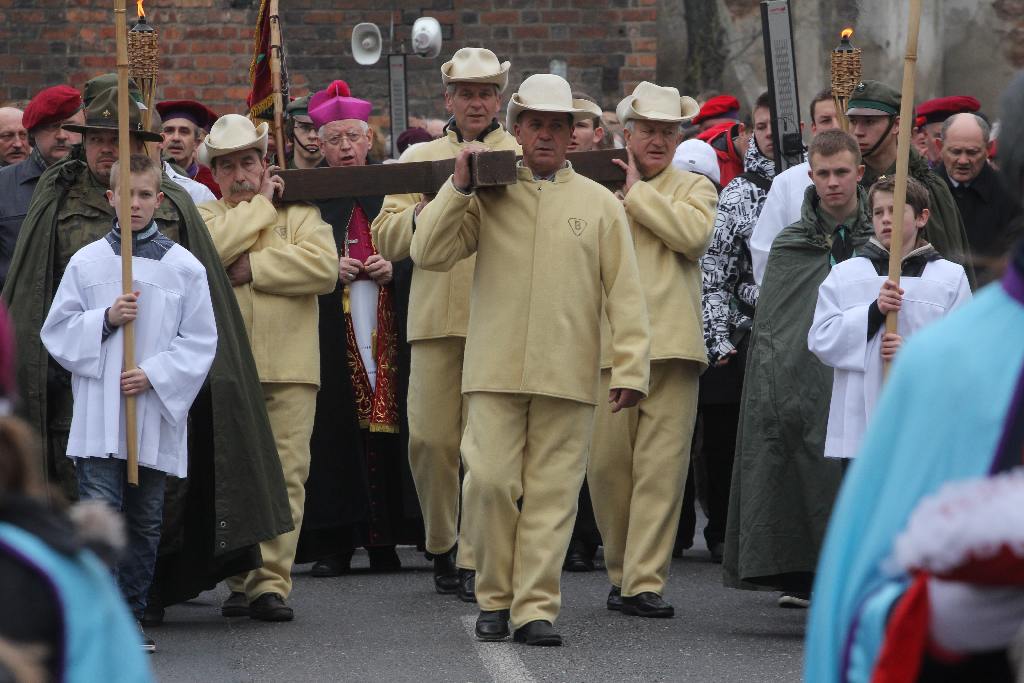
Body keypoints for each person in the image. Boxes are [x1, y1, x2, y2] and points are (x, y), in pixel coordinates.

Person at [3, 85, 293, 626]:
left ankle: (147, 592)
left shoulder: (177, 213)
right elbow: (39, 301)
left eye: (124, 139)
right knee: (88, 499)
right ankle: (95, 605)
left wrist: (160, 375)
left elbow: (201, 326)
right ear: (85, 144)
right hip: (79, 386)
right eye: (100, 140)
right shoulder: (57, 200)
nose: (110, 151)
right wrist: (89, 336)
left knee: (155, 502)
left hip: (157, 394)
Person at [411, 73, 650, 646]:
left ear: (573, 134)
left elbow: (626, 291)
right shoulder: (489, 190)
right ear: (515, 130)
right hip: (492, 368)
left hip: (569, 373)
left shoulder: (598, 204)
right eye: (536, 123)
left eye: (557, 125)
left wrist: (632, 367)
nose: (546, 134)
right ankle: (494, 594)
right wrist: (459, 187)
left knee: (552, 494)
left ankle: (535, 607)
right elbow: (428, 251)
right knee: (489, 482)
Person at [40, 153, 218, 652]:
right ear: (110, 198)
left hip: (151, 416)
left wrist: (155, 374)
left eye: (146, 195)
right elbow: (56, 331)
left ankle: (132, 615)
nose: (136, 204)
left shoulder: (183, 268)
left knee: (144, 520)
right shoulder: (88, 262)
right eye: (128, 195)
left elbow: (201, 340)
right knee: (101, 513)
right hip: (100, 416)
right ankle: (102, 620)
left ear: (159, 201)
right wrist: (105, 319)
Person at [372, 47, 521, 602]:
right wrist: (430, 206)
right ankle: (443, 541)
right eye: (467, 92)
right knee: (431, 440)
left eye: (486, 92)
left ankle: (475, 554)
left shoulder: (521, 152)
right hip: (435, 318)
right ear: (449, 98)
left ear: (499, 98)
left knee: (487, 450)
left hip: (501, 317)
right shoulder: (423, 157)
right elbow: (387, 237)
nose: (477, 101)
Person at [724, 130, 873, 607]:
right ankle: (809, 571)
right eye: (824, 174)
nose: (833, 183)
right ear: (810, 176)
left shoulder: (884, 237)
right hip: (803, 374)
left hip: (868, 370)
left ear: (859, 173)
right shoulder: (790, 245)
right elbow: (777, 323)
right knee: (809, 462)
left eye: (842, 173)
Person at [199, 113, 337, 622]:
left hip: (291, 366)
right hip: (228, 369)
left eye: (249, 162)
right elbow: (211, 253)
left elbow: (323, 268)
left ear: (265, 163)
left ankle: (270, 583)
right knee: (233, 474)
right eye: (228, 165)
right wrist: (261, 208)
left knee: (287, 476)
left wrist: (254, 267)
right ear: (214, 173)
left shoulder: (301, 214)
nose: (239, 174)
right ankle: (239, 576)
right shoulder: (209, 215)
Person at [586, 81, 713, 618]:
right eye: (649, 130)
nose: (658, 139)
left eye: (668, 130)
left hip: (674, 349)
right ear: (627, 133)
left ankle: (643, 581)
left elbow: (693, 236)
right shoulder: (596, 187)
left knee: (662, 471)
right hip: (610, 348)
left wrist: (636, 195)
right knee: (609, 468)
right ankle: (620, 570)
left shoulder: (695, 187)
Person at [295, 83, 422, 576]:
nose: (345, 147)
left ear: (370, 139)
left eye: (353, 136)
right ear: (318, 146)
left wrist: (397, 268)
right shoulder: (308, 198)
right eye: (334, 139)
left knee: (390, 424)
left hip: (387, 321)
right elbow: (298, 256)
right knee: (335, 430)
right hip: (333, 326)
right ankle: (335, 541)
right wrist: (330, 267)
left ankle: (387, 538)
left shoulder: (392, 191)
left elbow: (425, 249)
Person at [808, 176, 971, 463]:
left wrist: (913, 354)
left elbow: (964, 352)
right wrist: (873, 313)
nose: (885, 220)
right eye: (878, 212)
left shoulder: (949, 277)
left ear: (922, 217)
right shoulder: (847, 275)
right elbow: (821, 338)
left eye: (895, 211)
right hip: (862, 426)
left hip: (923, 423)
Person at [690, 91, 776, 564]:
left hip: (803, 330)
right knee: (722, 431)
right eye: (760, 128)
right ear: (746, 136)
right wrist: (717, 335)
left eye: (776, 127)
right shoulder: (738, 194)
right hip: (744, 329)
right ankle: (722, 527)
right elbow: (717, 270)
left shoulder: (815, 183)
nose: (769, 136)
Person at [847, 80, 974, 281]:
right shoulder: (848, 184)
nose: (858, 131)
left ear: (897, 124)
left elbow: (949, 264)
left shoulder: (928, 186)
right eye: (853, 121)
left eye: (869, 121)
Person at [561, 89, 606, 574]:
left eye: (581, 124)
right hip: (564, 322)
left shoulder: (613, 181)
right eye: (563, 123)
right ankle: (572, 538)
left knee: (597, 445)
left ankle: (592, 536)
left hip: (601, 322)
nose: (571, 133)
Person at [750, 88, 840, 284]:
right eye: (826, 120)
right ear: (813, 128)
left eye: (841, 117)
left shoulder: (871, 176)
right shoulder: (787, 183)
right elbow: (765, 255)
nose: (836, 126)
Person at [0, 85, 84, 289]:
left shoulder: (100, 182)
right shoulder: (3, 185)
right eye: (52, 126)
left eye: (71, 126)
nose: (62, 135)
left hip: (87, 315)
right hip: (19, 312)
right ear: (33, 133)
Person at [938, 113, 1022, 285]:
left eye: (972, 152)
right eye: (955, 151)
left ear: (988, 148)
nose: (963, 160)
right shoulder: (923, 191)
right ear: (940, 146)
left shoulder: (1010, 194)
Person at [155, 99, 221, 197]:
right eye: (169, 130)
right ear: (160, 138)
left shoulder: (212, 186)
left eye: (184, 131)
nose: (176, 138)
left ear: (196, 142)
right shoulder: (149, 178)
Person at [914, 95, 981, 168]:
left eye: (956, 137)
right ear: (925, 135)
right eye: (940, 137)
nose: (946, 146)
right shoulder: (910, 172)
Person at [284, 95, 323, 169]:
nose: (312, 136)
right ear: (291, 131)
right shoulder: (274, 174)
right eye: (304, 127)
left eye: (319, 128)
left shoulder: (341, 172)